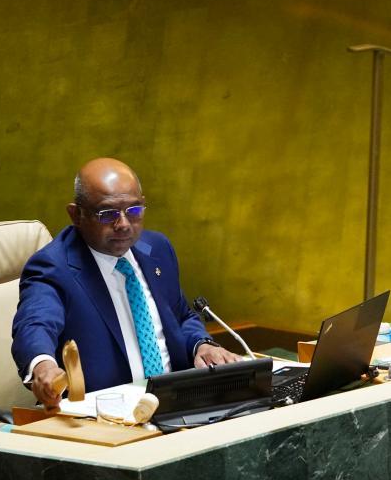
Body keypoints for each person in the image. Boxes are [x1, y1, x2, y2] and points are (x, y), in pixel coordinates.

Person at [12, 158, 239, 407]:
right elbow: (34, 324)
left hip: (177, 402)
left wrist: (201, 346)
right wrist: (42, 365)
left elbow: (181, 317)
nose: (123, 224)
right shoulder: (53, 266)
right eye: (108, 214)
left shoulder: (157, 249)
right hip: (106, 414)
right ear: (76, 214)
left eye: (134, 211)